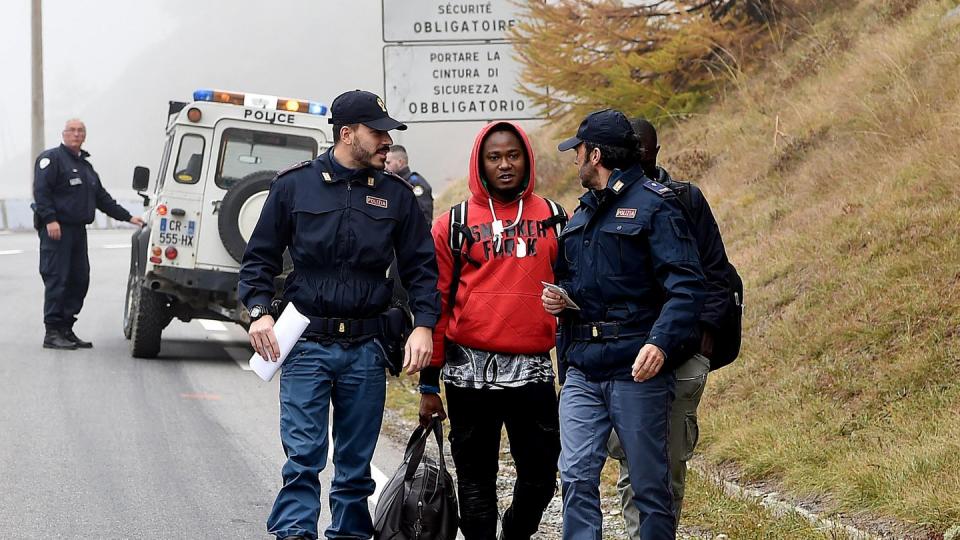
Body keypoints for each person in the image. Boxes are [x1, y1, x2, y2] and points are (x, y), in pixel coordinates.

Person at [238, 89, 440, 540]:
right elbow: (259, 261)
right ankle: (295, 535)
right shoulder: (293, 185)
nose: (387, 141)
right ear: (347, 134)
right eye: (378, 132)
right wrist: (258, 313)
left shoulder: (398, 196)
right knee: (303, 460)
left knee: (354, 470)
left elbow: (421, 270)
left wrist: (424, 324)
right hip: (306, 343)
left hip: (367, 349)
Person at [542, 109, 706, 540]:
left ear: (594, 154)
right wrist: (560, 299)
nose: (574, 159)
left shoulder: (657, 207)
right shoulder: (581, 214)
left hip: (637, 369)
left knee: (649, 487)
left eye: (577, 151)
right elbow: (576, 281)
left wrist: (661, 343)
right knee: (576, 477)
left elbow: (688, 287)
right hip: (582, 369)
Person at [418, 122, 565, 540]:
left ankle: (514, 533)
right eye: (495, 157)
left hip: (533, 371)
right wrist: (429, 384)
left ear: (527, 159)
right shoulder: (454, 223)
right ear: (480, 163)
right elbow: (437, 306)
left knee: (541, 478)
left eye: (513, 156)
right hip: (468, 374)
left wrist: (572, 373)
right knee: (476, 483)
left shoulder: (555, 218)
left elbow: (573, 296)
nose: (505, 165)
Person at [606, 118, 734, 537]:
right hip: (628, 357)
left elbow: (717, 273)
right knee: (633, 465)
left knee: (668, 470)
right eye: (630, 149)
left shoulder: (685, 200)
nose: (638, 157)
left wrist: (704, 341)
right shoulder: (601, 201)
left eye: (644, 150)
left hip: (681, 356)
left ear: (656, 152)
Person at [32, 118, 145, 350]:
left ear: (85, 136)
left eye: (80, 131)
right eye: (72, 130)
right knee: (57, 278)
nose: (76, 134)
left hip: (77, 232)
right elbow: (41, 191)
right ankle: (52, 332)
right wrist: (50, 220)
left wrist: (129, 217)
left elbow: (102, 199)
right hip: (57, 230)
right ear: (63, 134)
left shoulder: (86, 167)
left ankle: (66, 327)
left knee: (79, 279)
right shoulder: (51, 159)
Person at [385, 144, 433, 221]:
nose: (385, 166)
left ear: (400, 162)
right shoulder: (392, 183)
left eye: (388, 163)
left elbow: (424, 218)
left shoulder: (415, 184)